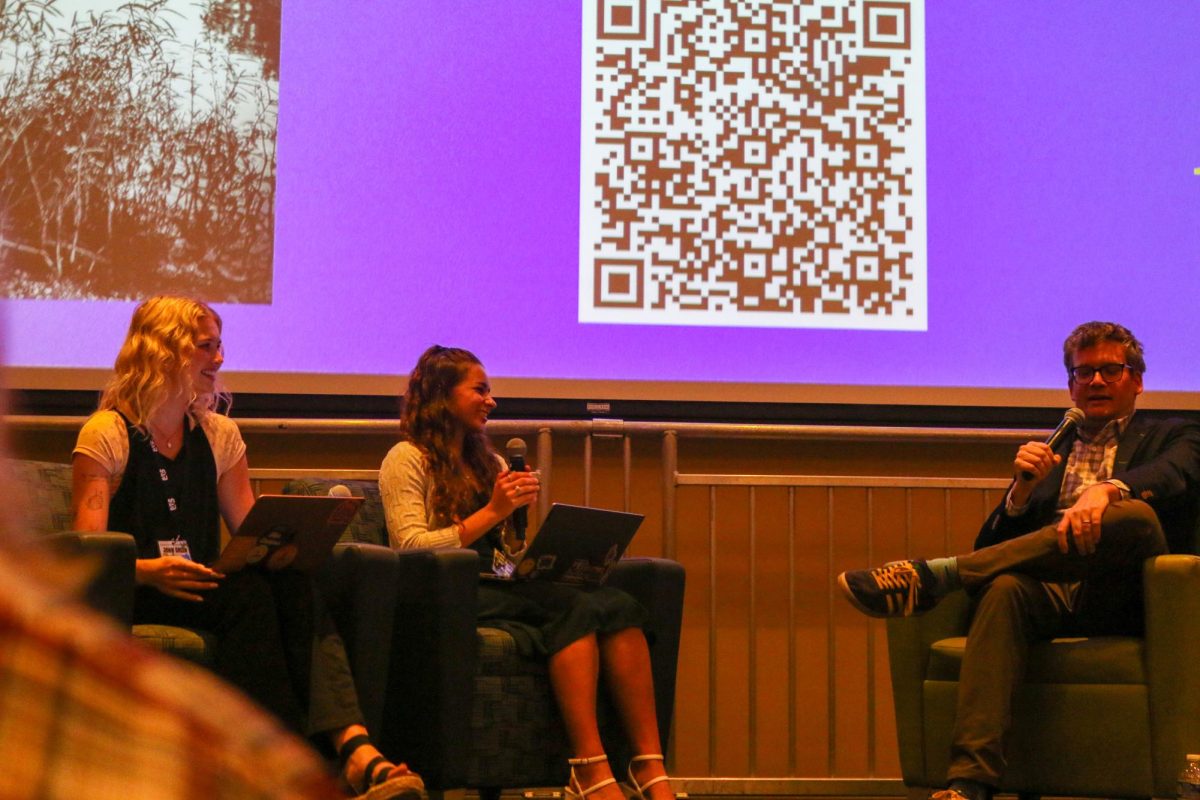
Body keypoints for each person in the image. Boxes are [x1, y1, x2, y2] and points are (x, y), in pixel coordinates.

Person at [70, 295, 424, 800]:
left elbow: (249, 528)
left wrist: (280, 548)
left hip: (199, 582)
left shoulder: (219, 435)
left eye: (220, 346)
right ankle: (296, 769)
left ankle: (351, 749)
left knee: (289, 581)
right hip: (136, 588)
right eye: (206, 347)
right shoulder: (106, 432)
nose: (219, 359)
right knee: (250, 601)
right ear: (164, 350)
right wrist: (147, 571)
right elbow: (92, 554)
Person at [837, 321, 1200, 800]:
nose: (1095, 382)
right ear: (1070, 384)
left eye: (1111, 370)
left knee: (1129, 516)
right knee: (1004, 588)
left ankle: (938, 576)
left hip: (1126, 595)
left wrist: (1107, 491)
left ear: (1137, 380)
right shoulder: (1052, 450)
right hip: (1049, 595)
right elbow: (994, 548)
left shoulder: (1177, 435)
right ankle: (969, 783)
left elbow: (1175, 475)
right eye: (1083, 373)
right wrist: (1020, 492)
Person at [378, 345, 674, 800]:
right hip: (447, 590)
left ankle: (649, 767)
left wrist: (542, 550)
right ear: (442, 395)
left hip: (499, 581)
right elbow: (410, 546)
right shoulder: (406, 458)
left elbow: (506, 550)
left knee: (617, 604)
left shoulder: (490, 464)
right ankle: (589, 768)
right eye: (480, 390)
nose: (491, 401)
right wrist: (495, 510)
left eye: (490, 391)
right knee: (574, 608)